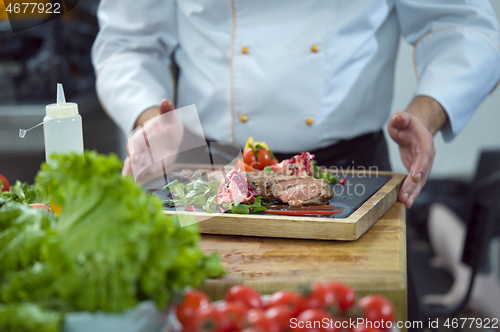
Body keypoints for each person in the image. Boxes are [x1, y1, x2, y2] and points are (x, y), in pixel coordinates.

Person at [91, 0, 500, 208]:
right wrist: (152, 122)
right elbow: (130, 44)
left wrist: (425, 113)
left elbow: (463, 25)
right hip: (210, 172)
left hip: (353, 172)